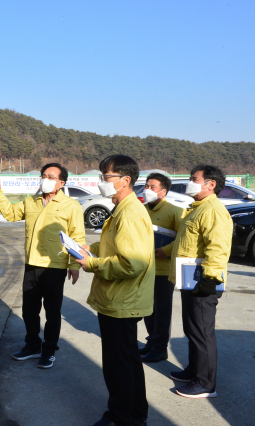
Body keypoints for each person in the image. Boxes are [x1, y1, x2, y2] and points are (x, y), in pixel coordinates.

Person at [75, 155, 154, 426]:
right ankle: (134, 414)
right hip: (119, 298)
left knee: (118, 365)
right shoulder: (122, 208)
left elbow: (131, 263)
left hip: (121, 300)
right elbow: (117, 248)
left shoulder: (130, 213)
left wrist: (91, 263)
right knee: (128, 360)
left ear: (125, 180)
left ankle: (119, 417)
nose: (102, 183)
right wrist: (92, 248)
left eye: (106, 177)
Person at [0, 163, 85, 369]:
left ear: (61, 182)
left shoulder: (71, 206)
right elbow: (10, 215)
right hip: (32, 264)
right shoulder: (31, 201)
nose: (45, 179)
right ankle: (32, 346)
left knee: (52, 312)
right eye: (43, 175)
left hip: (55, 266)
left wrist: (74, 266)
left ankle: (49, 350)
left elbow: (77, 237)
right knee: (29, 310)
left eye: (51, 176)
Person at [168, 165, 232, 399]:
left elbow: (218, 246)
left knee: (203, 332)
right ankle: (194, 371)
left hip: (204, 281)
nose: (190, 182)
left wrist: (210, 278)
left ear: (210, 184)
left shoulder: (213, 210)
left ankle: (205, 383)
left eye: (194, 179)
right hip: (190, 280)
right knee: (193, 329)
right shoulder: (198, 208)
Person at [138, 173, 186, 363]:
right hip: (144, 268)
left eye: (153, 187)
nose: (147, 190)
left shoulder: (175, 211)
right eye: (146, 186)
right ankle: (151, 343)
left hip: (163, 271)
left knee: (161, 312)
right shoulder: (141, 210)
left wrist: (166, 250)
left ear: (163, 191)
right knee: (147, 310)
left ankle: (160, 349)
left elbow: (184, 239)